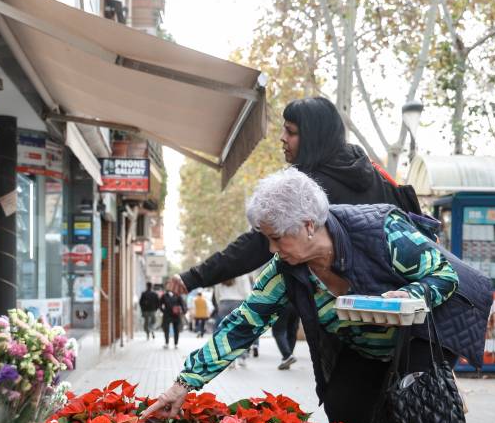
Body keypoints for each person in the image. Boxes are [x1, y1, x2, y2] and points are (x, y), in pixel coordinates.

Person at [141, 169, 492, 423]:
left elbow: (441, 274)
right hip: (361, 345)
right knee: (344, 412)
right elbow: (244, 323)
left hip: (416, 339)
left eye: (277, 237)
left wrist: (407, 294)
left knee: (411, 422)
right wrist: (183, 384)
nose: (273, 249)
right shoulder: (288, 269)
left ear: (309, 225)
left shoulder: (380, 229)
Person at [167, 96, 421, 298]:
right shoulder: (364, 168)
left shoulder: (308, 187)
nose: (282, 138)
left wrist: (195, 277)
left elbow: (256, 245)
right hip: (395, 300)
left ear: (311, 137)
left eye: (291, 132)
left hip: (350, 307)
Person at [214, 274, 253, 366]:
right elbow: (247, 291)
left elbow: (216, 293)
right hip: (239, 302)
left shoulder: (220, 273)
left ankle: (229, 359)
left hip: (224, 303)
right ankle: (242, 358)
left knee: (227, 333)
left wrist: (219, 303)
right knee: (241, 332)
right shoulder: (243, 273)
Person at [159, 285, 186, 349]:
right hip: (167, 315)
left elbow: (182, 304)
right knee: (166, 329)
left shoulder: (178, 295)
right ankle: (166, 343)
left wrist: (184, 311)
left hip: (176, 315)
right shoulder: (164, 296)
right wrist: (163, 311)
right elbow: (159, 304)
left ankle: (176, 343)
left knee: (176, 329)